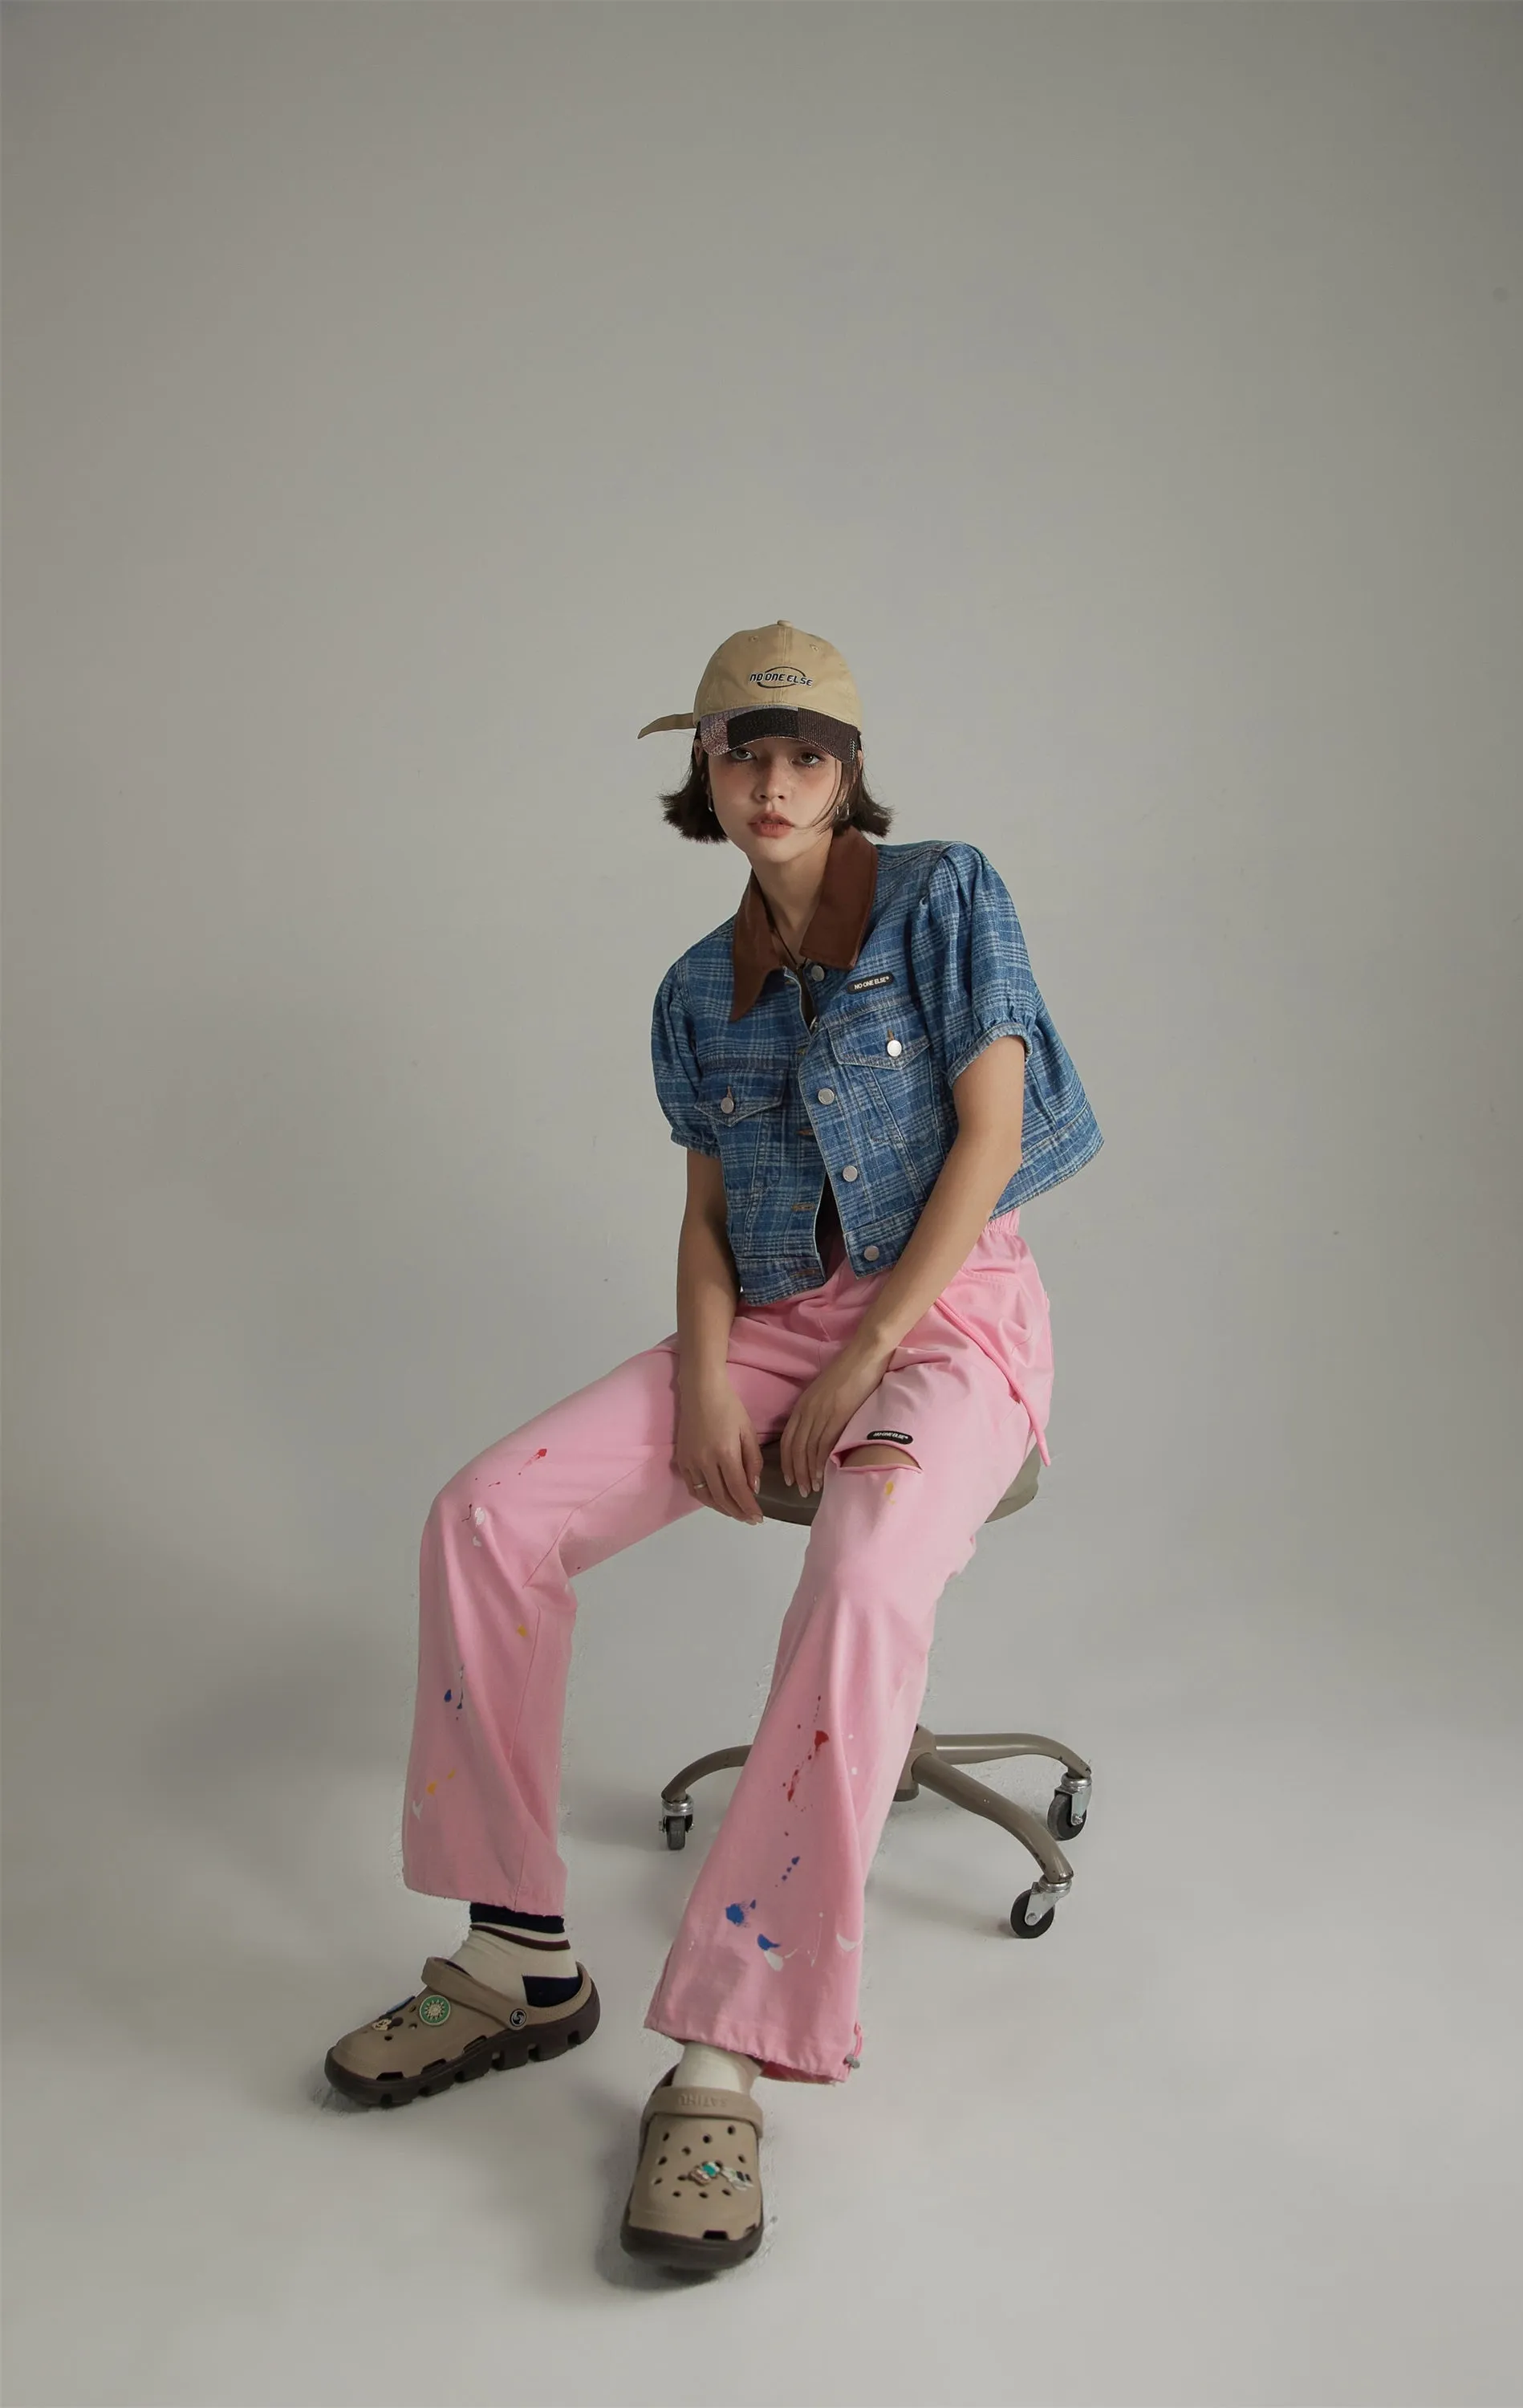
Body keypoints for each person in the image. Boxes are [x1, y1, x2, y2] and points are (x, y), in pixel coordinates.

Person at [322, 618, 1103, 2274]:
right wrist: (699, 1379)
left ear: (847, 774)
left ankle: (724, 2051)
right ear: (708, 769)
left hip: (948, 1322)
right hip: (762, 1330)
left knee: (866, 1569)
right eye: (744, 753)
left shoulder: (948, 896)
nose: (772, 782)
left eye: (805, 755)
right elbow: (701, 1217)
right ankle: (517, 1954)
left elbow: (988, 1138)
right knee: (486, 1515)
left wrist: (869, 1352)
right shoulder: (696, 990)